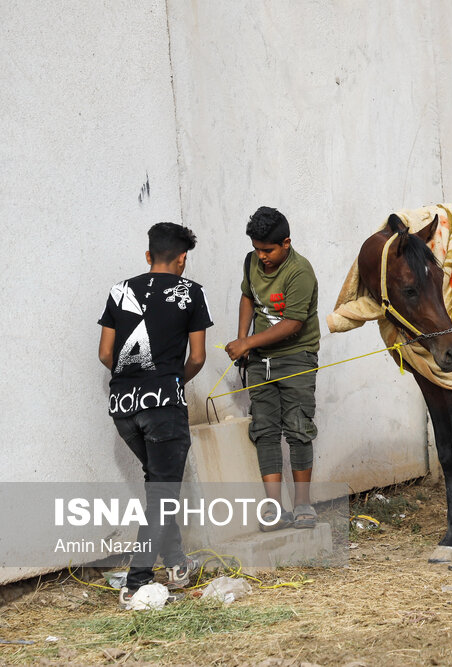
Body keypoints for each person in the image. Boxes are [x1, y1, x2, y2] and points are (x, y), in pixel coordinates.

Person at [98, 222, 213, 608]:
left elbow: (104, 354)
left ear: (149, 256)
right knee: (163, 492)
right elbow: (197, 356)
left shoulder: (120, 291)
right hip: (163, 406)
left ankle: (177, 565)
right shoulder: (191, 293)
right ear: (182, 259)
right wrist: (170, 380)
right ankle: (137, 580)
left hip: (123, 410)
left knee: (158, 488)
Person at [225, 206, 320, 530]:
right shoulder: (252, 262)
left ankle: (303, 504)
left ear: (286, 243)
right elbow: (247, 297)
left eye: (267, 250)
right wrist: (242, 339)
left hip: (296, 356)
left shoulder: (300, 272)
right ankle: (273, 509)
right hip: (259, 362)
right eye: (257, 249)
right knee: (264, 431)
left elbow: (293, 323)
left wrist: (248, 343)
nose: (261, 256)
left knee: (298, 429)